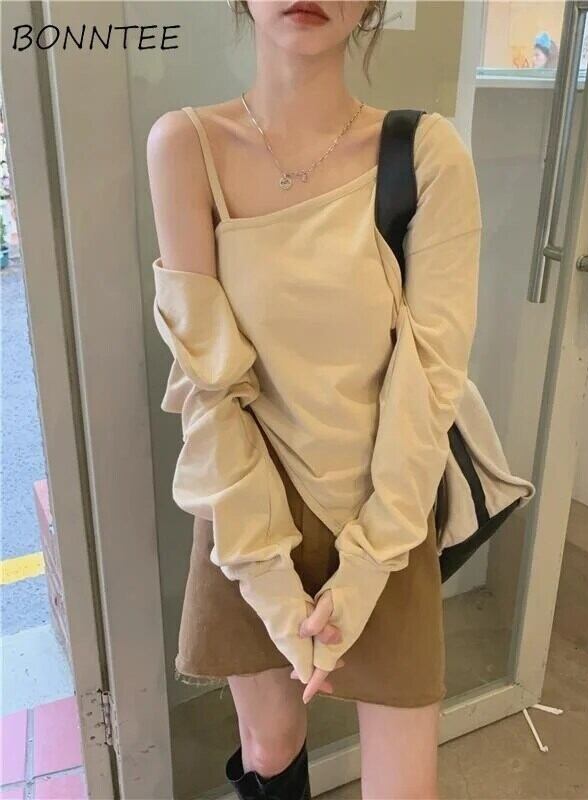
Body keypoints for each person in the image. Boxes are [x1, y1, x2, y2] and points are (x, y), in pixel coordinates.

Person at [147, 1, 481, 798]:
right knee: (269, 749)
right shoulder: (187, 147)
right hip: (248, 503)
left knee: (405, 781)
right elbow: (208, 382)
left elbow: (431, 377)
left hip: (386, 505)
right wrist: (269, 584)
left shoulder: (425, 153)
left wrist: (364, 572)